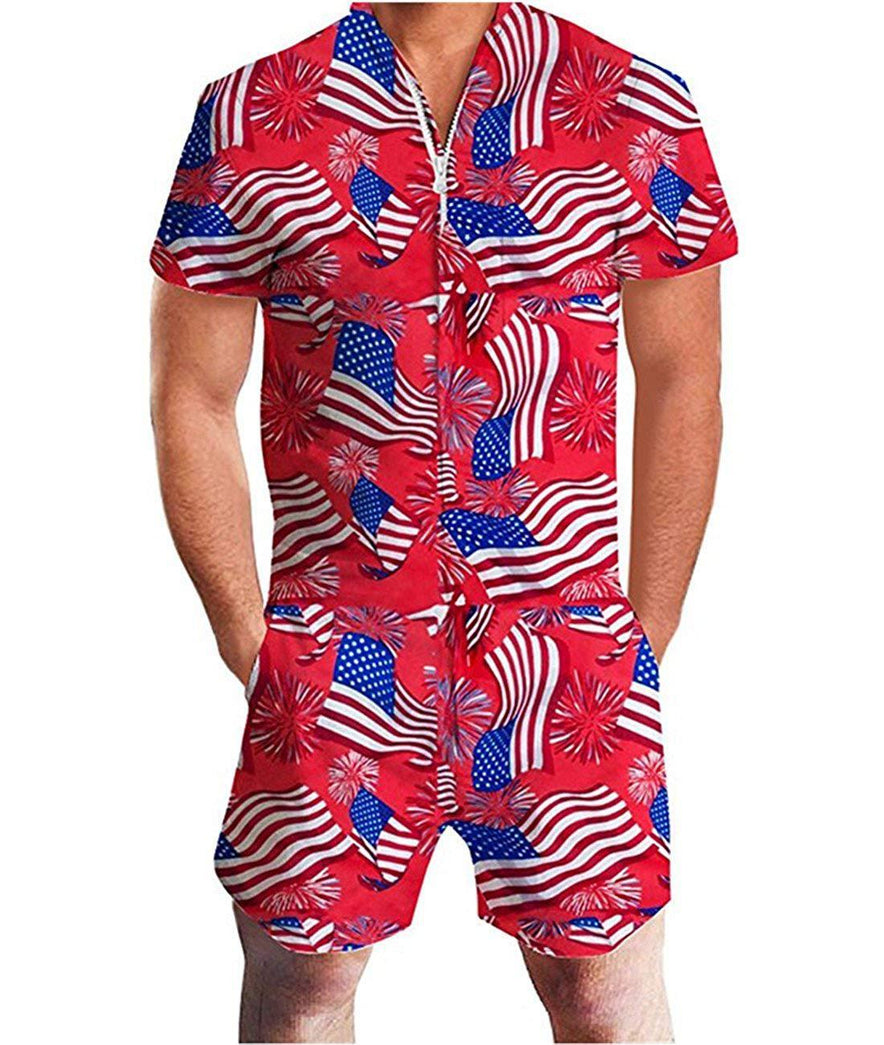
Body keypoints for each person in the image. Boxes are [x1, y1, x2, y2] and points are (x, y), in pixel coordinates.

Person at [150, 2, 736, 1040]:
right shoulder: (251, 113)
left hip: (563, 647)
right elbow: (191, 394)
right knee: (302, 989)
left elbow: (683, 375)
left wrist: (643, 630)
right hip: (337, 645)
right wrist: (249, 633)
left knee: (602, 995)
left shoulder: (634, 105)